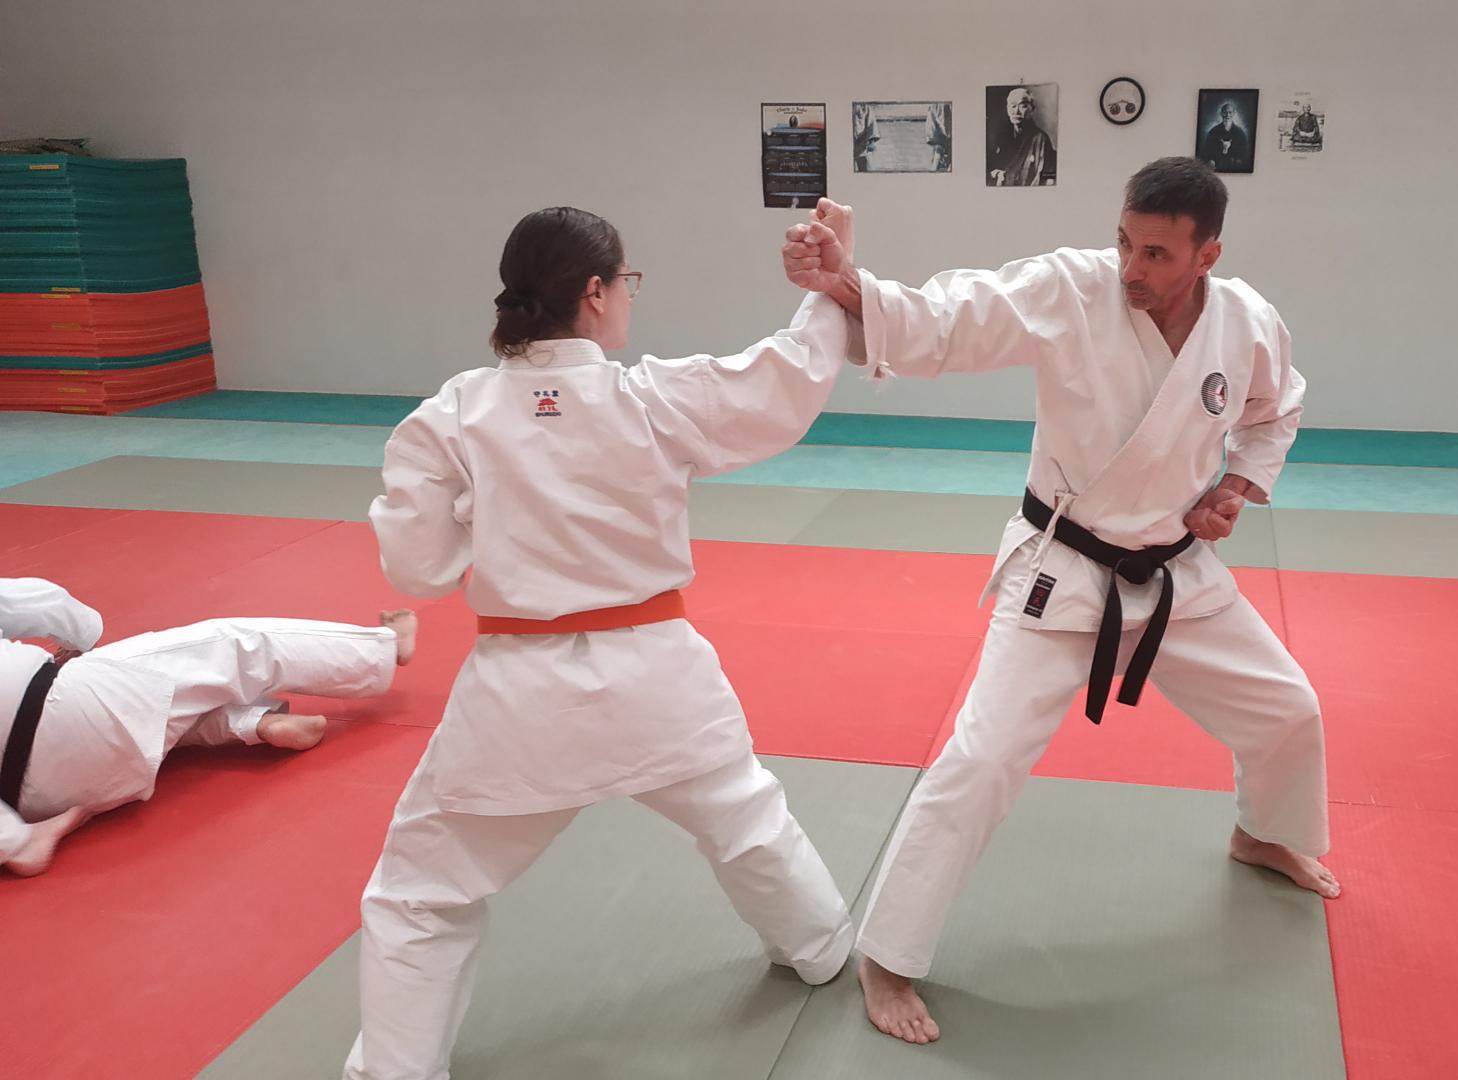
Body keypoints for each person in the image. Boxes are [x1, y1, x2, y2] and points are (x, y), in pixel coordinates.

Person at [782, 158, 1337, 1046]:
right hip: (1064, 573)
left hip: (1176, 573)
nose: (1131, 268)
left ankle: (1264, 833)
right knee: (980, 760)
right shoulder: (1071, 289)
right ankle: (887, 955)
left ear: (1208, 255)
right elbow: (951, 316)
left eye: (1156, 254)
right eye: (1125, 242)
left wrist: (1236, 484)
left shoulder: (1245, 321)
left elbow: (1276, 409)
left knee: (1289, 708)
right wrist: (848, 285)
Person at [344, 206, 858, 1079]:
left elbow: (419, 570)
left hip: (518, 695)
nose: (628, 298)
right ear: (594, 292)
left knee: (421, 891)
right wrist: (828, 289)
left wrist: (482, 509)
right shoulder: (653, 396)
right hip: (658, 676)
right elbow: (782, 380)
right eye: (627, 283)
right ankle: (820, 948)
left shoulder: (454, 413)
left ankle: (393, 1068)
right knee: (744, 820)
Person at [0, 577, 412, 877]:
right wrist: (83, 640)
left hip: (40, 798)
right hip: (72, 708)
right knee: (232, 646)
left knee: (154, 709)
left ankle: (252, 723)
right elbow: (45, 601)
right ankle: (382, 647)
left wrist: (16, 840)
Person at [987, 86, 1056, 186]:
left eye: (1022, 106)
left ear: (1032, 108)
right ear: (1007, 109)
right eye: (1013, 106)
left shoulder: (1041, 139)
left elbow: (1049, 178)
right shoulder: (1002, 137)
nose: (1016, 112)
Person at [1200, 101, 1252, 171]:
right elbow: (1207, 152)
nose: (1228, 115)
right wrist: (1211, 160)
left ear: (1234, 114)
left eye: (1230, 112)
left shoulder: (1240, 133)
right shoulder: (1213, 132)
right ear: (1221, 113)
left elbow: (1244, 155)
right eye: (1225, 112)